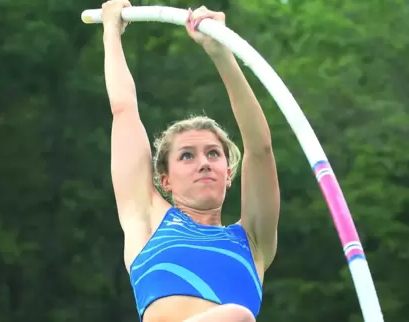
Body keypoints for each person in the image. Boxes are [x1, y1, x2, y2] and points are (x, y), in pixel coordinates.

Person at [101, 0, 280, 321]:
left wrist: (221, 51)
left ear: (228, 173)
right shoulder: (147, 217)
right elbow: (124, 110)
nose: (204, 163)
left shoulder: (253, 241)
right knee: (237, 317)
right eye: (187, 155)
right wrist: (111, 31)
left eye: (214, 154)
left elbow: (259, 149)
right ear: (164, 179)